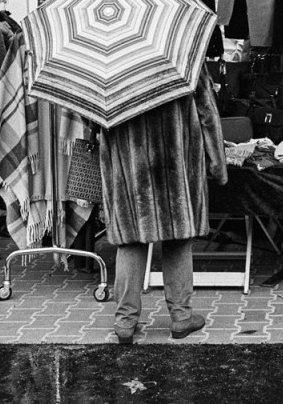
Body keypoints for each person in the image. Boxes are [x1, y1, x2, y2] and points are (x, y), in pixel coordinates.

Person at [98, 67, 228, 343]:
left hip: (130, 164)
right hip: (175, 162)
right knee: (178, 237)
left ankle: (125, 322)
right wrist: (217, 162)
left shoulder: (112, 62)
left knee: (130, 240)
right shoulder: (183, 53)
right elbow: (206, 110)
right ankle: (181, 318)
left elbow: (96, 117)